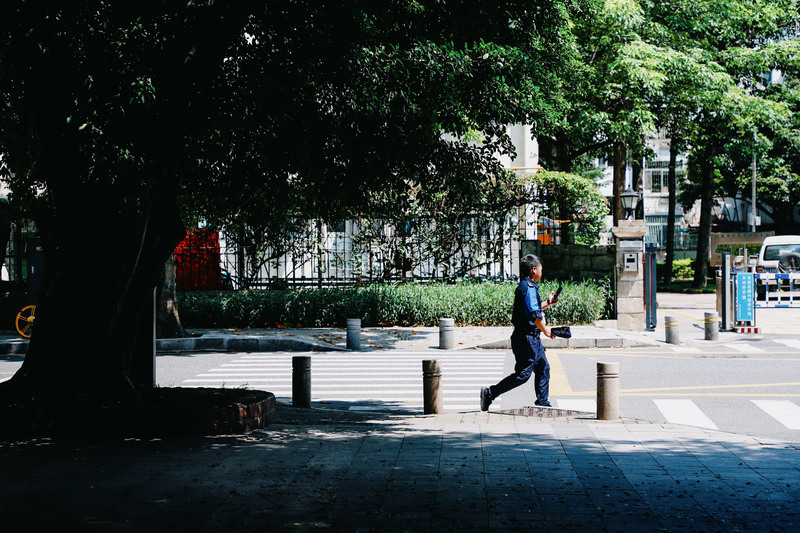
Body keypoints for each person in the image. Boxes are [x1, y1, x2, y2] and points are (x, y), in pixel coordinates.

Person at [481, 254, 558, 411]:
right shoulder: (528, 287)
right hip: (526, 339)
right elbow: (534, 316)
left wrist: (548, 303)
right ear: (533, 269)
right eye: (541, 269)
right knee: (523, 375)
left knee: (543, 367)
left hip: (532, 339)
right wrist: (547, 331)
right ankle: (490, 393)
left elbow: (532, 309)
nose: (542, 273)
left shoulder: (528, 286)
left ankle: (542, 402)